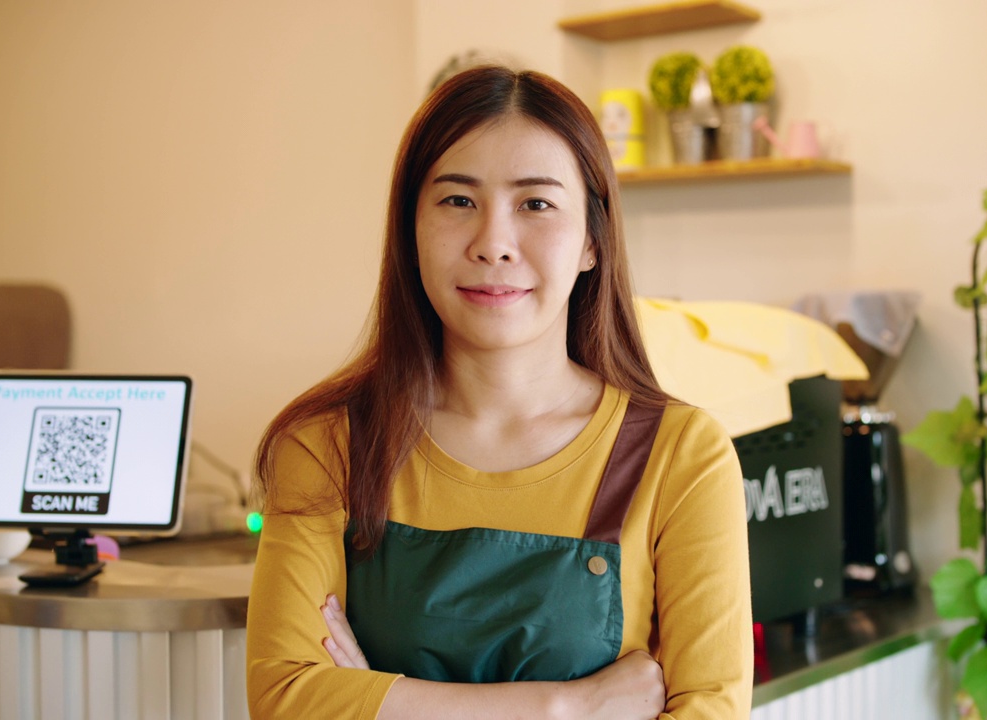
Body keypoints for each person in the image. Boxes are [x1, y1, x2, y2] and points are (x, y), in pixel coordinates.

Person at [246, 65, 753, 719]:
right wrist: (564, 708)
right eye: (458, 201)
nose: (493, 244)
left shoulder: (681, 455)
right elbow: (285, 698)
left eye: (535, 203)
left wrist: (381, 700)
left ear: (593, 242)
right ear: (410, 230)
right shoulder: (326, 446)